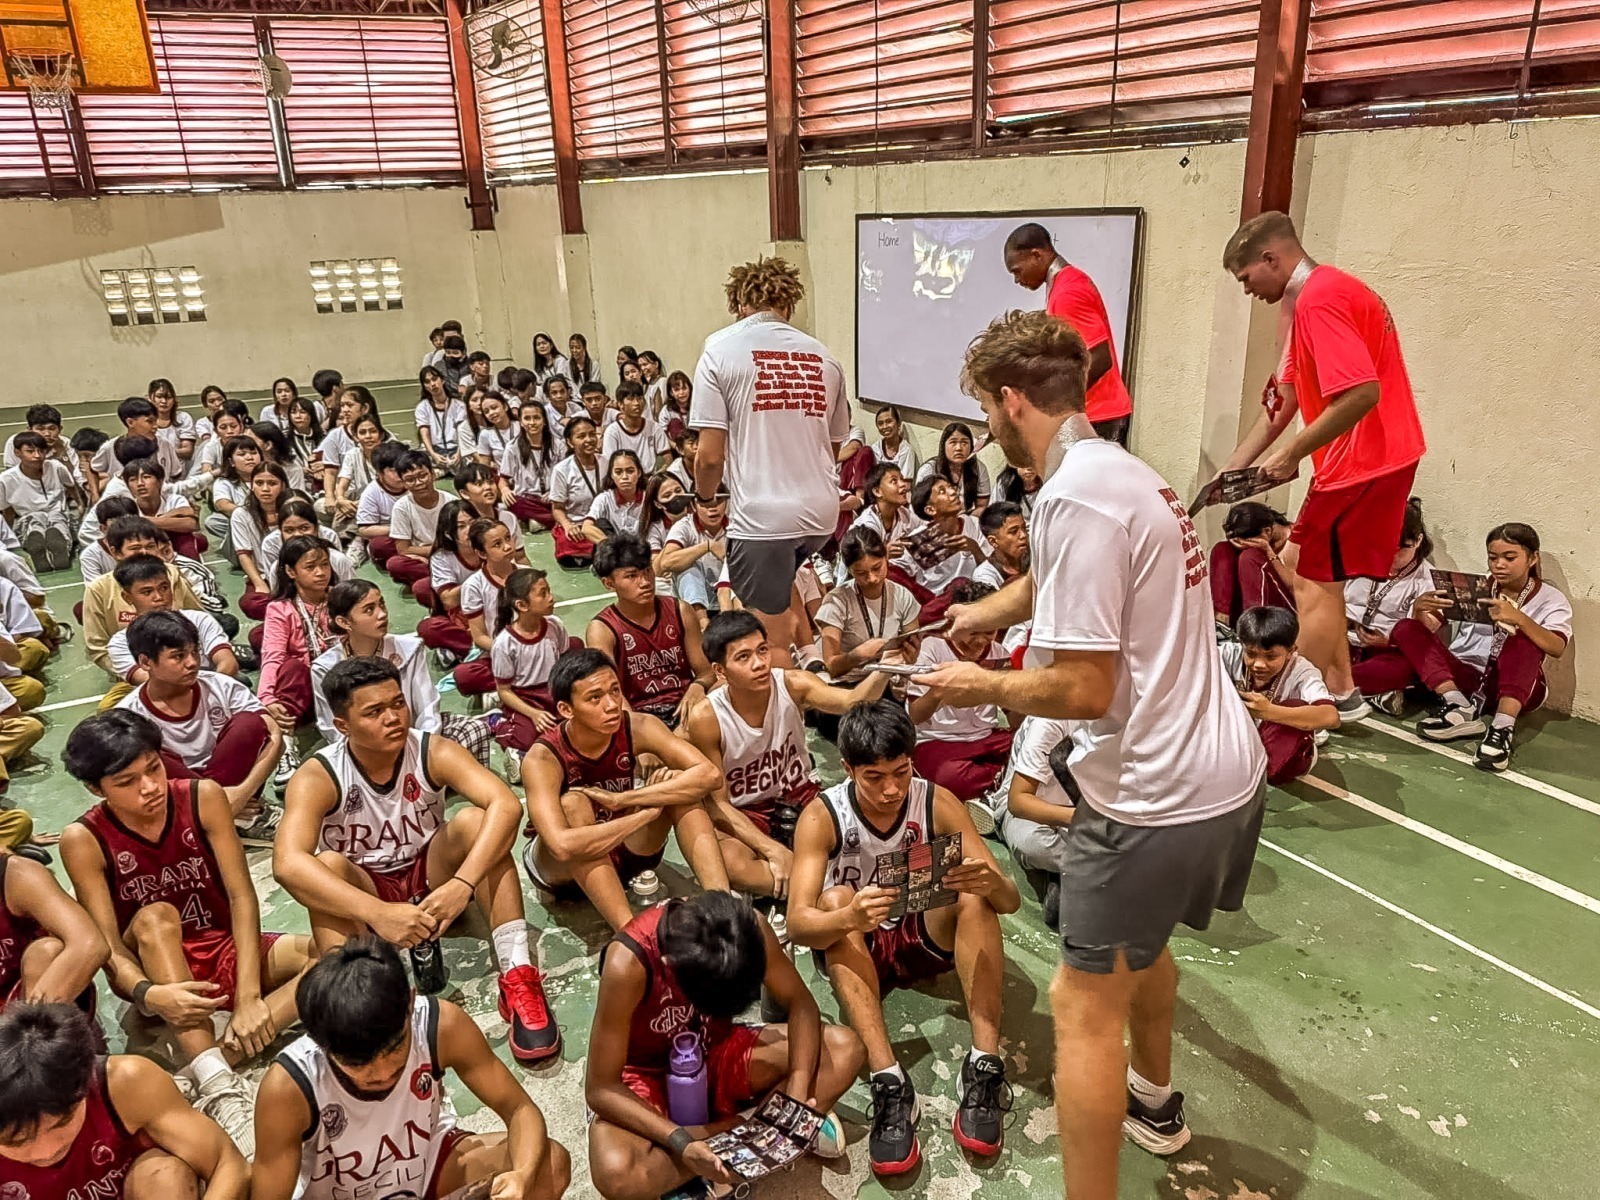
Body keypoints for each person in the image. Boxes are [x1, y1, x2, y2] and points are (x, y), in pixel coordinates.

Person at [918, 309, 1267, 1199]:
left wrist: (976, 684)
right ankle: (1155, 1102)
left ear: (1010, 401)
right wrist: (983, 613)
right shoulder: (1126, 473)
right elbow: (1056, 580)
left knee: (1081, 1006)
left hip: (1153, 794)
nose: (988, 427)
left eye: (985, 410)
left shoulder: (1070, 497)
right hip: (1229, 776)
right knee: (1140, 951)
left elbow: (1083, 691)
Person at [275, 657, 558, 1063]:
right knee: (327, 866)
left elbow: (507, 805)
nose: (393, 718)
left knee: (476, 822)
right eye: (374, 711)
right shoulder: (319, 775)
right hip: (368, 894)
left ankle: (518, 975)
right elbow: (286, 863)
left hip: (432, 878)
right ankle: (356, 1005)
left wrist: (461, 885)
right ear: (342, 725)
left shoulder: (431, 749)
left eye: (397, 703)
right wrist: (379, 913)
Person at [61, 710, 314, 1152]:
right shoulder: (83, 839)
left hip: (221, 946)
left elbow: (241, 896)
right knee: (156, 916)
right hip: (153, 969)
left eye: (153, 768)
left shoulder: (202, 797)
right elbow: (107, 948)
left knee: (337, 954)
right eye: (127, 781)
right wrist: (148, 994)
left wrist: (250, 998)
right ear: (95, 788)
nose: (150, 787)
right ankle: (222, 1091)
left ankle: (210, 1063)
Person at [786, 701, 1019, 1175]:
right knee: (833, 901)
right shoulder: (822, 816)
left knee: (974, 896)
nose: (892, 789)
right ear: (847, 768)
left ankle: (983, 1064)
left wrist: (989, 882)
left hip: (920, 935)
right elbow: (797, 924)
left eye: (901, 772)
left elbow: (1010, 901)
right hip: (860, 945)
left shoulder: (937, 801)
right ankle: (889, 1081)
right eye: (874, 777)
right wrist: (849, 915)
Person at [1219, 210, 1427, 722]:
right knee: (1316, 578)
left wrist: (1293, 453)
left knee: (1310, 582)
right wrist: (1233, 469)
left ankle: (1294, 705)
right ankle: (1341, 691)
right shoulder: (1305, 303)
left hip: (1365, 462)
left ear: (1271, 258)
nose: (1247, 290)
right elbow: (1284, 400)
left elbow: (1362, 393)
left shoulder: (1322, 298)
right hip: (1359, 462)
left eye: (1246, 277)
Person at [585, 892, 860, 1200]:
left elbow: (801, 1003)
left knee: (844, 1050)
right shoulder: (628, 962)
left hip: (715, 1047)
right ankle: (757, 1131)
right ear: (673, 968)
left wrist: (797, 1087)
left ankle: (731, 1147)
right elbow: (601, 1089)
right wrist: (680, 1142)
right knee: (617, 1175)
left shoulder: (745, 927)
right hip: (646, 1074)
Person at [252, 937, 570, 1200]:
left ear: (410, 1003)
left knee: (550, 1165)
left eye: (394, 1047)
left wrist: (522, 1176)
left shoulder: (441, 1025)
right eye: (358, 1063)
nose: (381, 1072)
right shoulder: (288, 1087)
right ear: (321, 1045)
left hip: (426, 1168)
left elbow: (519, 1109)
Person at [692, 256, 851, 667]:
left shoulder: (719, 350)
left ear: (738, 304)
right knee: (783, 593)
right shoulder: (824, 357)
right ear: (790, 306)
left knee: (768, 641)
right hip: (821, 515)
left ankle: (784, 705)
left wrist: (704, 497)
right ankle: (808, 661)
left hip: (764, 519)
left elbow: (709, 456)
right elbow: (833, 446)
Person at [519, 648, 729, 931]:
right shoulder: (543, 757)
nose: (611, 705)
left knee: (679, 785)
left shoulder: (638, 726)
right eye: (595, 698)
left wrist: (625, 799)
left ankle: (724, 906)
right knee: (574, 804)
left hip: (624, 846)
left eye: (615, 691)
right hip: (563, 873)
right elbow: (562, 846)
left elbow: (710, 775)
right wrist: (643, 815)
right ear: (566, 710)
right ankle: (632, 934)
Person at [686, 611, 890, 898]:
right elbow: (718, 805)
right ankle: (818, 886)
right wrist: (773, 850)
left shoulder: (793, 684)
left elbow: (852, 701)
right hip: (747, 812)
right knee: (728, 862)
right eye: (743, 657)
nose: (759, 663)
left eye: (762, 650)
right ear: (720, 671)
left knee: (868, 830)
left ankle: (797, 886)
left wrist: (888, 666)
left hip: (800, 797)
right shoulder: (707, 717)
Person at [0, 1003, 249, 1198]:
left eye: (60, 1124)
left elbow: (228, 1163)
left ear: (84, 1087)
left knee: (165, 1177)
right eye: (17, 1141)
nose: (47, 1150)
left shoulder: (126, 1083)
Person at [1385, 523, 1571, 771]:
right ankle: (1458, 706)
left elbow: (1557, 647)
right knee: (1406, 628)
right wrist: (1420, 610)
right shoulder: (1475, 586)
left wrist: (1520, 619)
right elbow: (1429, 631)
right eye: (1493, 557)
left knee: (1522, 640)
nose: (1499, 564)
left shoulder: (1550, 598)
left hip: (1516, 687)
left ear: (1532, 558)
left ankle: (1501, 729)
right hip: (1468, 680)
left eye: (1509, 558)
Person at [116, 611, 284, 827]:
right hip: (179, 797)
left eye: (195, 651)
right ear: (145, 662)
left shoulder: (221, 686)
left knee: (250, 724)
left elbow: (276, 737)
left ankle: (217, 819)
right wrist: (217, 802)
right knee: (142, 752)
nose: (192, 662)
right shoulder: (129, 714)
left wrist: (242, 793)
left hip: (235, 785)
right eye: (178, 656)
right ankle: (223, 819)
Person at [315, 578, 496, 767]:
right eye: (369, 610)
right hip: (364, 752)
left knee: (474, 730)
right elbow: (331, 728)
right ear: (344, 622)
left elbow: (427, 708)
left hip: (412, 738)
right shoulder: (325, 668)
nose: (382, 614)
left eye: (382, 604)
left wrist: (420, 753)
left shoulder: (409, 649)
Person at [1004, 222, 1135, 444]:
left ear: (1036, 255)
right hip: (1094, 413)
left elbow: (1101, 359)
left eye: (1017, 270)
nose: (1017, 280)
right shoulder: (1066, 282)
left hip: (1098, 414)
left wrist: (1056, 400)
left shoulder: (1068, 292)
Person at [587, 536, 713, 728]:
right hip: (639, 718)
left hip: (686, 709)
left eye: (648, 571)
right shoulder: (602, 629)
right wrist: (636, 731)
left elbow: (707, 673)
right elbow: (609, 692)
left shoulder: (680, 611)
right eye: (632, 576)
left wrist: (698, 686)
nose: (645, 582)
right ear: (609, 583)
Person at [905, 581, 1015, 800]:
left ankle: (993, 786)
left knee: (1030, 749)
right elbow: (915, 715)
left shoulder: (1000, 653)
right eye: (974, 632)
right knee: (949, 777)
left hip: (987, 737)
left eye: (989, 632)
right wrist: (939, 692)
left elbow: (1013, 715)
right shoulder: (932, 649)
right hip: (940, 740)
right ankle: (999, 785)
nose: (981, 640)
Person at [1221, 607, 1339, 784]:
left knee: (1295, 706)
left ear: (1291, 651)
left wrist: (1268, 711)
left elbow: (1331, 717)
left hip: (1281, 746)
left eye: (1271, 657)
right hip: (1241, 738)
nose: (1259, 664)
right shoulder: (1230, 654)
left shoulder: (1302, 672)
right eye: (1251, 654)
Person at [83, 517, 206, 684]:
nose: (144, 553)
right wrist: (134, 672)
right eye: (135, 548)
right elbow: (98, 648)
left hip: (187, 667)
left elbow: (198, 620)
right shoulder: (98, 589)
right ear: (116, 552)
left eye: (150, 547)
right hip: (133, 675)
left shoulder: (172, 574)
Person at [256, 536, 339, 779]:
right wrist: (266, 698)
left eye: (324, 564)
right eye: (310, 567)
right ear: (291, 572)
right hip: (306, 691)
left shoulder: (340, 598)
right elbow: (272, 656)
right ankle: (285, 748)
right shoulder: (280, 609)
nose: (320, 572)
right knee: (290, 667)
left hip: (341, 684)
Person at [1345, 497, 1440, 707]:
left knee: (1399, 669)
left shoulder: (1428, 579)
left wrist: (1389, 641)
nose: (1391, 555)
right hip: (1345, 642)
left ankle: (1337, 687)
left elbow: (1427, 636)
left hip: (1389, 652)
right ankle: (1369, 694)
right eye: (1385, 547)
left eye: (1400, 549)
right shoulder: (1360, 560)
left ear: (1418, 541)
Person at [104, 556, 238, 703]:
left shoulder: (200, 619)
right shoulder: (120, 643)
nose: (159, 597)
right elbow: (149, 681)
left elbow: (228, 663)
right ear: (127, 597)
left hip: (212, 690)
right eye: (147, 592)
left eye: (164, 588)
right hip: (164, 701)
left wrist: (211, 693)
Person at [0, 848, 108, 1007]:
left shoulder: (17, 874)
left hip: (35, 1002)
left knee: (46, 951)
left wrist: (30, 1020)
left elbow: (90, 945)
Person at [814, 527, 921, 685]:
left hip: (886, 681)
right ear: (850, 570)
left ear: (886, 557)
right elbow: (830, 666)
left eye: (877, 568)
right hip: (846, 684)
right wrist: (857, 655)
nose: (872, 578)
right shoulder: (837, 601)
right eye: (861, 573)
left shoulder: (902, 596)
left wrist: (909, 656)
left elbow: (910, 650)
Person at [490, 569, 569, 755]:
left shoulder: (555, 625)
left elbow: (565, 665)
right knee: (527, 740)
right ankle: (496, 722)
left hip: (554, 691)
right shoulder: (504, 644)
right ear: (522, 605)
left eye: (549, 591)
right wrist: (533, 713)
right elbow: (504, 690)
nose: (551, 598)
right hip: (526, 699)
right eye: (543, 593)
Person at [454, 518, 523, 697]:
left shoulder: (527, 574)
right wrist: (510, 652)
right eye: (497, 544)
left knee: (573, 645)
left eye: (508, 538)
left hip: (533, 647)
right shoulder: (473, 586)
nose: (507, 546)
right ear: (482, 553)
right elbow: (479, 637)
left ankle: (505, 691)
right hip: (498, 652)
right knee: (465, 676)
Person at [1, 431, 83, 570]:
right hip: (28, 517)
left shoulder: (56, 467)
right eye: (30, 451)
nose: (37, 455)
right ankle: (37, 547)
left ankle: (60, 548)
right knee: (34, 522)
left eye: (41, 451)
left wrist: (80, 505)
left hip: (57, 512)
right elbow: (7, 510)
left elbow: (71, 486)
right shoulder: (6, 479)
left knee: (58, 521)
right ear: (17, 453)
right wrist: (7, 534)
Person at [1209, 501, 1296, 628]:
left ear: (1267, 531)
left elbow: (1298, 589)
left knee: (1250, 557)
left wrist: (1269, 552)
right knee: (1222, 550)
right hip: (1246, 608)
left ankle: (1255, 629)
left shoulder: (1296, 540)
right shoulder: (1260, 531)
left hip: (1284, 615)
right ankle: (1222, 626)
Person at [230, 460, 290, 623]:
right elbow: (244, 554)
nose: (265, 489)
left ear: (283, 485)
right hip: (263, 576)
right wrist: (259, 584)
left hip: (294, 574)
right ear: (251, 486)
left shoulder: (293, 509)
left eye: (272, 483)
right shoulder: (241, 514)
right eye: (259, 483)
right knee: (251, 604)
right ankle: (287, 617)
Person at [656, 488, 728, 618]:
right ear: (694, 505)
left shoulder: (736, 526)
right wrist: (707, 546)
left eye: (719, 501)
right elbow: (666, 563)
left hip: (727, 597)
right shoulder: (684, 526)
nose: (712, 508)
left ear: (726, 503)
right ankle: (701, 622)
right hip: (691, 602)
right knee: (688, 570)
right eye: (705, 502)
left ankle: (731, 618)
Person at [387, 449, 447, 597]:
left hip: (448, 556)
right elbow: (403, 549)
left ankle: (436, 580)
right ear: (403, 483)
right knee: (395, 564)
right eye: (410, 479)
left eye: (422, 476)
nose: (419, 483)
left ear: (433, 474)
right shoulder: (401, 507)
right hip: (423, 559)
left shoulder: (450, 503)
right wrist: (428, 553)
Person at [550, 415, 605, 566]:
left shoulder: (607, 462)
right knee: (566, 542)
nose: (589, 439)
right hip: (578, 526)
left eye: (592, 434)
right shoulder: (562, 470)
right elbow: (557, 508)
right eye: (581, 436)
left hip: (604, 524)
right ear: (570, 442)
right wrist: (568, 526)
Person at [123, 457, 202, 560]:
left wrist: (142, 521)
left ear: (160, 481)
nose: (140, 483)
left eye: (146, 477)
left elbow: (190, 524)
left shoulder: (174, 500)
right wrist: (172, 515)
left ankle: (191, 569)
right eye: (133, 480)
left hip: (175, 547)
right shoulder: (127, 507)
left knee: (186, 539)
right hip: (144, 554)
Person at [500, 400, 559, 530]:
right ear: (520, 422)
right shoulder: (512, 447)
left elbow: (565, 476)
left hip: (553, 497)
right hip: (528, 499)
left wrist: (553, 492)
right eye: (527, 418)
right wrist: (504, 490)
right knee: (513, 501)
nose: (532, 423)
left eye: (536, 418)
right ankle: (554, 519)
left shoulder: (558, 445)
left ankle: (539, 520)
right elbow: (503, 479)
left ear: (544, 420)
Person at [354, 442, 410, 571]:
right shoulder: (371, 492)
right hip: (393, 536)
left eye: (403, 467)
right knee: (379, 545)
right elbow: (364, 530)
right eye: (393, 470)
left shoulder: (415, 481)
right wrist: (399, 528)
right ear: (379, 472)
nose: (400, 474)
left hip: (420, 533)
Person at [583, 450, 647, 544]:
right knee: (601, 523)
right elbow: (586, 528)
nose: (624, 477)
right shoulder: (604, 499)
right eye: (618, 472)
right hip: (613, 549)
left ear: (639, 473)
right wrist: (612, 546)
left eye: (630, 471)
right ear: (612, 475)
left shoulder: (649, 498)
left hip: (644, 549)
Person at [601, 382, 668, 470]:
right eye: (631, 399)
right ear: (621, 404)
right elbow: (609, 464)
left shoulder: (654, 427)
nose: (637, 403)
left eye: (639, 398)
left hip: (650, 476)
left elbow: (667, 458)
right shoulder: (612, 431)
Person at [416, 366, 466, 471]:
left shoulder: (459, 405)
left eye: (434, 379)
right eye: (427, 382)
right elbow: (424, 434)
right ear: (424, 387)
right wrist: (433, 455)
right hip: (434, 452)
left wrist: (459, 454)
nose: (432, 384)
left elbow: (463, 432)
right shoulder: (422, 407)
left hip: (457, 450)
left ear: (442, 380)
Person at [974, 500, 1029, 591]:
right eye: (1014, 531)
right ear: (993, 541)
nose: (1023, 535)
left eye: (1024, 528)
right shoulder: (984, 576)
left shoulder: (1035, 556)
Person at [873, 404, 917, 478]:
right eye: (880, 423)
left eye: (889, 421)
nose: (885, 426)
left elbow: (906, 482)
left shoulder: (906, 450)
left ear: (898, 423)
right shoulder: (876, 448)